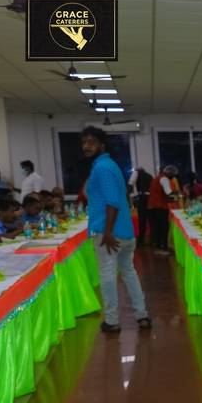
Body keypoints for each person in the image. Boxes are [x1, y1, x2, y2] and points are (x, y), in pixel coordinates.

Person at [81, 126, 151, 332]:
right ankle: (142, 315)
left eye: (91, 142)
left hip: (108, 233)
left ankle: (111, 321)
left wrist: (108, 232)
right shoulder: (109, 165)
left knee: (108, 275)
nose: (86, 146)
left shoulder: (102, 168)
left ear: (102, 145)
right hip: (125, 231)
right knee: (129, 272)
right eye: (84, 142)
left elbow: (112, 202)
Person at [148, 165, 178, 255]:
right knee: (164, 228)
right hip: (160, 207)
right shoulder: (164, 179)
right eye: (173, 175)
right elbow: (169, 192)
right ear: (169, 173)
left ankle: (157, 247)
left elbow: (159, 193)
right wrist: (177, 193)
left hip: (152, 207)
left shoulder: (156, 178)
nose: (173, 177)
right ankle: (163, 247)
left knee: (156, 228)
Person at [128, 167, 153, 247]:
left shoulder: (136, 173)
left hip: (142, 199)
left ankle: (140, 242)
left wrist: (127, 194)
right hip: (150, 199)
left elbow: (130, 184)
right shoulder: (149, 176)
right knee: (150, 220)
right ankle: (152, 240)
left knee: (142, 220)